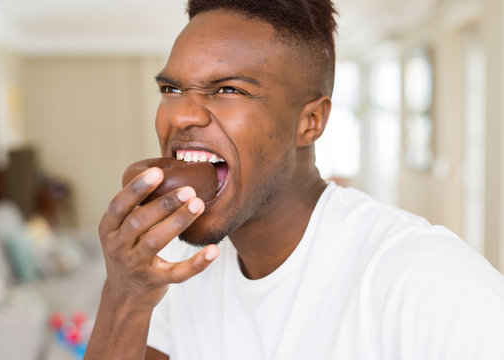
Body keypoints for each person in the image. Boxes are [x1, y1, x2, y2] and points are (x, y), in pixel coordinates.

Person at [84, 1, 504, 359]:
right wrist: (124, 296)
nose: (180, 115)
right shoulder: (170, 268)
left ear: (311, 121)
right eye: (172, 90)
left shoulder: (429, 280)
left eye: (229, 90)